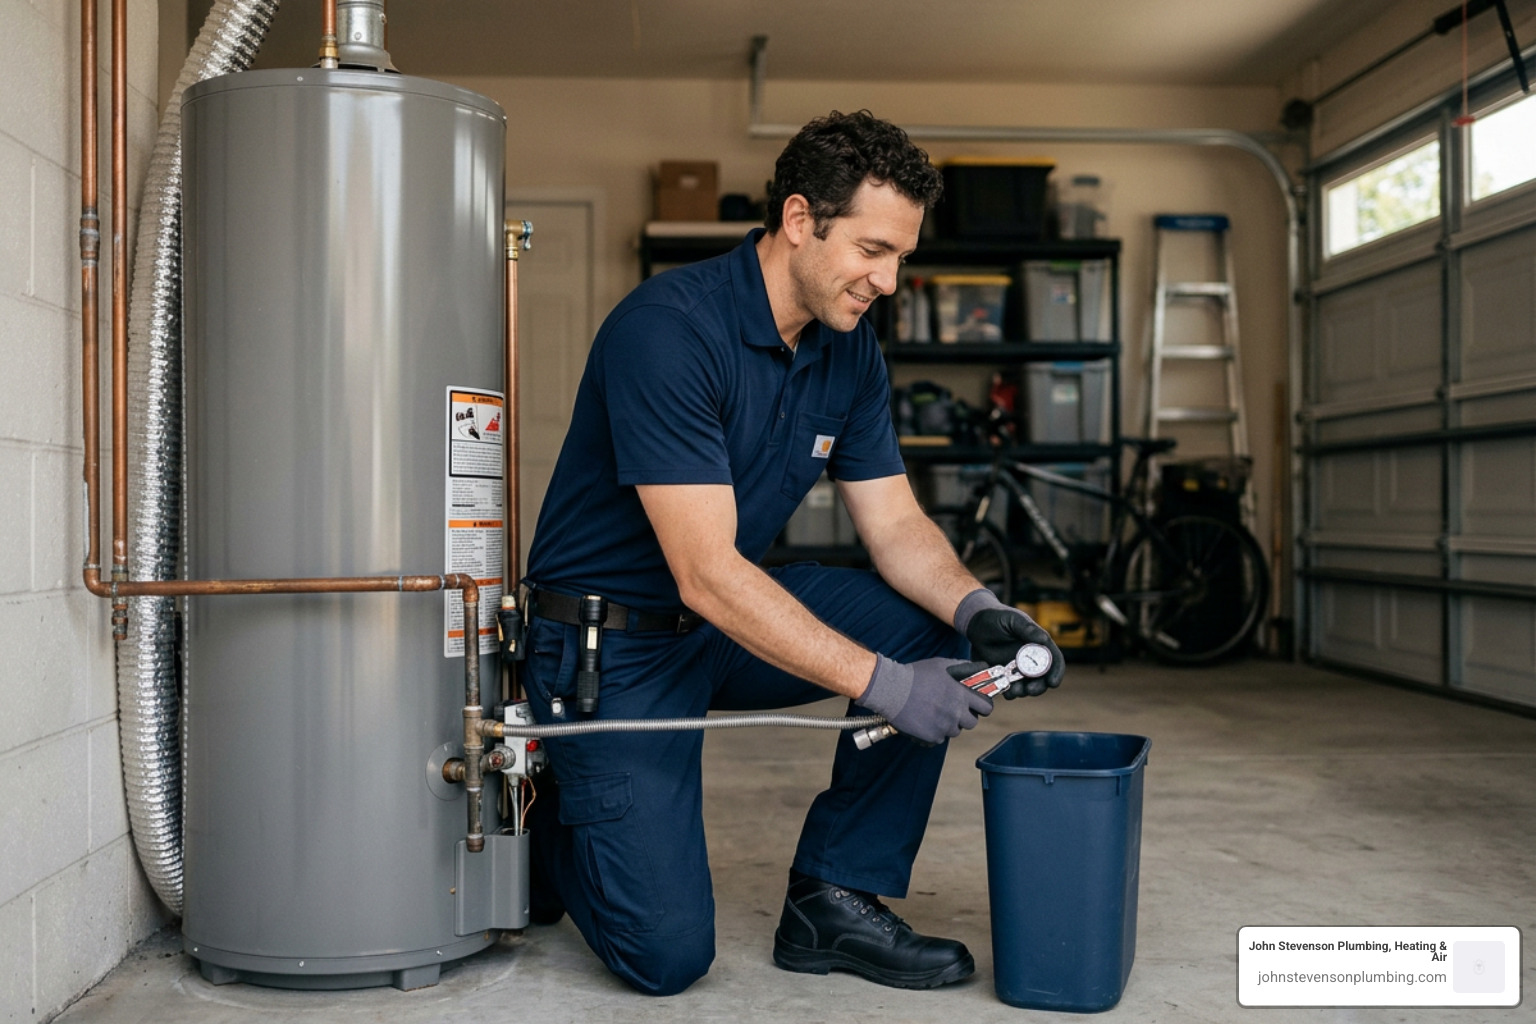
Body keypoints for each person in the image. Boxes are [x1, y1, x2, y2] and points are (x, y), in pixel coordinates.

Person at [520, 109, 1065, 997]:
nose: (888, 281)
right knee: (665, 959)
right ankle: (558, 816)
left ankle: (833, 899)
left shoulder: (847, 352)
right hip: (607, 650)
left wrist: (981, 613)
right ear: (802, 220)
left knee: (932, 632)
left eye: (901, 257)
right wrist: (887, 686)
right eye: (873, 251)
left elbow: (894, 528)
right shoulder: (668, 331)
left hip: (716, 626)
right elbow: (705, 571)